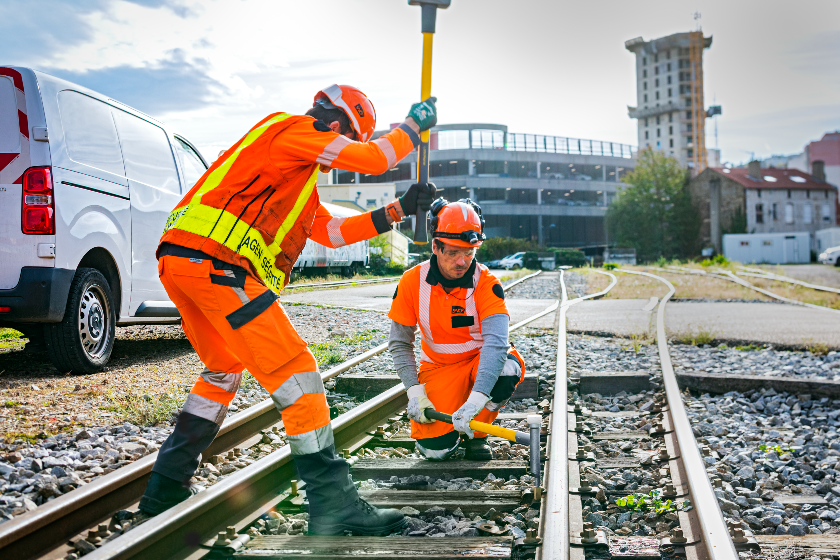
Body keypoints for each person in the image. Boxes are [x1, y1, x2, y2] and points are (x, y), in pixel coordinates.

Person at [135, 84, 438, 536]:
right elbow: (374, 160)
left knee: (222, 370)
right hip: (219, 265)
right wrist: (413, 126)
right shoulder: (292, 129)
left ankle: (164, 489)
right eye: (348, 139)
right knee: (301, 377)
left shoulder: (289, 172)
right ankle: (334, 505)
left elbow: (331, 233)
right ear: (336, 125)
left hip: (184, 261)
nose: (342, 149)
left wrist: (396, 210)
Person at [388, 198, 525, 461]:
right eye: (453, 252)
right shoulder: (411, 282)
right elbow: (399, 343)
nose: (462, 261)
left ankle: (478, 433)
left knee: (508, 369)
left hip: (479, 365)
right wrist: (414, 392)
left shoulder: (487, 283)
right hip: (438, 369)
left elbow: (497, 344)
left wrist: (477, 400)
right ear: (435, 246)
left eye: (469, 253)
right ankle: (453, 430)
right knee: (435, 451)